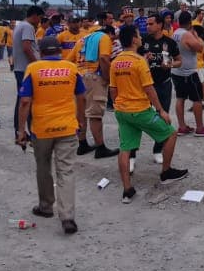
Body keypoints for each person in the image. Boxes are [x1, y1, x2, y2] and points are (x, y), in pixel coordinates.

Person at [110, 24, 189, 204]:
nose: (140, 37)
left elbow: (113, 89)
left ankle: (127, 190)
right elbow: (149, 89)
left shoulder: (116, 62)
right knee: (171, 133)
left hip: (122, 111)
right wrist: (161, 110)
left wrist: (118, 106)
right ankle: (166, 172)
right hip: (140, 110)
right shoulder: (139, 62)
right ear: (133, 39)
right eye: (138, 35)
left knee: (125, 148)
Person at [16, 35, 86, 234]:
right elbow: (81, 97)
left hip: (42, 128)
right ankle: (67, 217)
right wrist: (81, 119)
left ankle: (46, 206)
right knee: (66, 171)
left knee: (43, 167)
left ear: (41, 51)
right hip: (67, 126)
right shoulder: (71, 68)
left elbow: (24, 102)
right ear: (59, 50)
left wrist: (21, 130)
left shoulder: (33, 69)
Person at [140, 13, 181, 164]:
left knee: (163, 116)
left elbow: (179, 61)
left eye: (151, 24)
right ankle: (131, 152)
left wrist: (169, 64)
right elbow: (135, 60)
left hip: (164, 83)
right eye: (147, 24)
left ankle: (158, 149)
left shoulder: (169, 42)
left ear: (159, 25)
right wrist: (144, 60)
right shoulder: (142, 41)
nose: (147, 26)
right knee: (139, 116)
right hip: (146, 85)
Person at [75, 19, 118, 159]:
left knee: (81, 112)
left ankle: (82, 144)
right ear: (109, 33)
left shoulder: (82, 40)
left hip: (79, 77)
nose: (113, 41)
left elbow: (69, 60)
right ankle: (100, 148)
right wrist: (107, 78)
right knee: (95, 114)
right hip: (94, 77)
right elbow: (104, 59)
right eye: (113, 38)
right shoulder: (104, 38)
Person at [12, 6, 43, 131]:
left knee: (22, 99)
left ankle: (20, 129)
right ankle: (28, 130)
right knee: (27, 101)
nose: (39, 22)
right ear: (34, 15)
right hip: (26, 69)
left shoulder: (20, 25)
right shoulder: (28, 27)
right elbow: (27, 48)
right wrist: (36, 65)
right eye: (39, 18)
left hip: (21, 68)